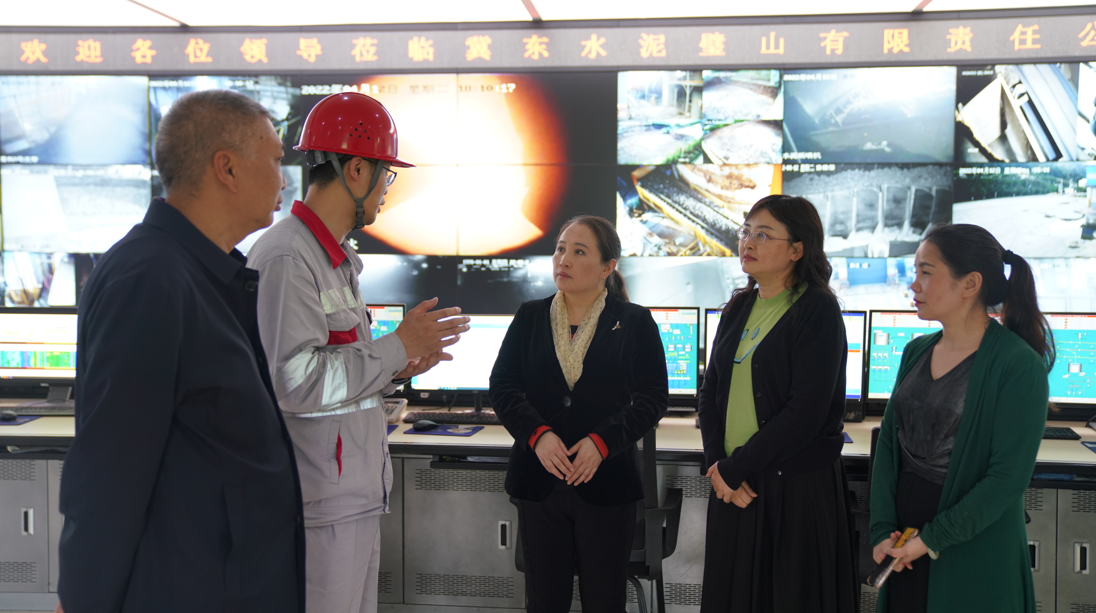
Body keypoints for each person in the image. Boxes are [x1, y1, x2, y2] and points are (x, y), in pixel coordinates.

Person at [56, 90, 305, 612]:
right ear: (227, 169)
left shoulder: (200, 273)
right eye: (276, 160)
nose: (284, 179)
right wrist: (83, 600)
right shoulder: (150, 279)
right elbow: (110, 470)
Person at [247, 92, 470, 613]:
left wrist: (398, 366)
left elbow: (336, 369)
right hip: (315, 505)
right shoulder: (287, 257)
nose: (387, 190)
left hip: (348, 498)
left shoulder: (334, 259)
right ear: (355, 170)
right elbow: (293, 381)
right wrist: (394, 347)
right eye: (385, 175)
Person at [869, 224, 1053, 613]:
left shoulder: (1017, 364)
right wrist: (882, 528)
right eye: (915, 272)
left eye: (926, 272)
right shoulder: (916, 350)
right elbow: (888, 444)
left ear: (970, 283)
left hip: (970, 547)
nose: (914, 285)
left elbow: (1006, 479)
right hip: (904, 543)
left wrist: (930, 539)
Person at [489, 215, 668, 612]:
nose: (564, 259)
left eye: (579, 251)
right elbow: (502, 387)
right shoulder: (530, 316)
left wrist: (602, 442)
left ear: (607, 267)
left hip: (606, 482)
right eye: (560, 249)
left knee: (604, 601)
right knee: (544, 601)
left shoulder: (634, 321)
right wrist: (537, 435)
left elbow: (653, 399)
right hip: (541, 480)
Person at [698, 195, 858, 612]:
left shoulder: (816, 309)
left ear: (797, 249)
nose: (748, 242)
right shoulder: (738, 306)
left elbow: (805, 413)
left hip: (791, 490)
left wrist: (735, 469)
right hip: (733, 485)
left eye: (764, 235)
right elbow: (710, 392)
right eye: (746, 232)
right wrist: (718, 466)